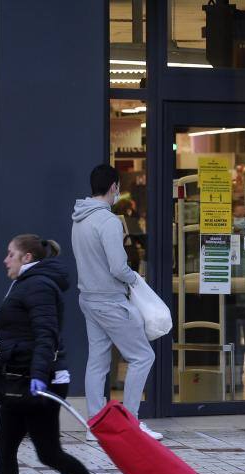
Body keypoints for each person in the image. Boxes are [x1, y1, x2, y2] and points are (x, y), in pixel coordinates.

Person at [0, 234, 126, 474]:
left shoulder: (38, 285)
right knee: (10, 447)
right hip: (23, 378)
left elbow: (46, 334)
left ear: (27, 258)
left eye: (10, 254)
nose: (5, 260)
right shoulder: (27, 282)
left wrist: (39, 376)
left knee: (47, 452)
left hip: (38, 382)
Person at [71, 164, 160, 441]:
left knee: (97, 361)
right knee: (143, 356)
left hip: (88, 298)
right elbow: (118, 267)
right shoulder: (109, 222)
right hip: (110, 301)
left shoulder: (79, 218)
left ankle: (95, 426)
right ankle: (130, 423)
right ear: (114, 187)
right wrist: (135, 278)